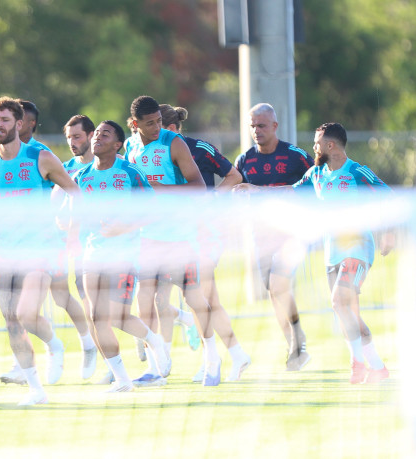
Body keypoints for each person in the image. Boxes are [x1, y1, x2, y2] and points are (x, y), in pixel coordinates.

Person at [236, 122, 393, 383]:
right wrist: (255, 191)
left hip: (357, 248)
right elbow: (291, 191)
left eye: (317, 143)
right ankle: (376, 366)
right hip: (332, 252)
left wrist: (388, 233)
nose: (313, 147)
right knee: (346, 310)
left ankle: (358, 365)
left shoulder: (357, 172)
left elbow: (389, 197)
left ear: (330, 145)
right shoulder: (316, 174)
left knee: (338, 301)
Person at [0, 96, 80, 405]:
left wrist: (70, 231)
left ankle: (54, 344)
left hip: (40, 251)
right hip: (6, 255)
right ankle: (36, 389)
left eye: (4, 120)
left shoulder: (40, 157)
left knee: (26, 314)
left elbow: (75, 192)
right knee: (12, 322)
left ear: (18, 124)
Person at [0, 101, 97, 385]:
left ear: (28, 124)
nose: (10, 125)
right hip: (24, 246)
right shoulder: (1, 158)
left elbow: (66, 194)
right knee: (39, 302)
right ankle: (27, 359)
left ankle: (84, 343)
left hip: (46, 244)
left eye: (19, 120)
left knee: (57, 298)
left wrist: (69, 230)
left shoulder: (40, 156)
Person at [125, 95, 221, 387]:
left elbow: (198, 186)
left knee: (193, 298)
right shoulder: (129, 147)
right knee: (146, 298)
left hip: (179, 235)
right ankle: (155, 368)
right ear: (135, 124)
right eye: (150, 123)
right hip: (145, 235)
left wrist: (159, 189)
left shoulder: (174, 143)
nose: (156, 128)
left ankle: (212, 359)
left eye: (158, 121)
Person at [72, 120, 169, 392]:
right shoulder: (82, 176)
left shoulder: (129, 171)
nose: (98, 137)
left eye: (106, 134)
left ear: (118, 145)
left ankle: (154, 340)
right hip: (93, 255)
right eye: (97, 134)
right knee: (95, 316)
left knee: (117, 316)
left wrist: (122, 228)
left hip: (125, 254)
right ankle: (123, 380)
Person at [157, 104, 251, 383]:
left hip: (205, 233)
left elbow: (234, 176)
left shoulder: (199, 148)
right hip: (173, 235)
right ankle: (232, 354)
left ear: (172, 129)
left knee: (202, 296)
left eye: (158, 127)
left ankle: (219, 357)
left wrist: (210, 199)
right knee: (181, 297)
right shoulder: (152, 152)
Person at [233, 103, 315, 371]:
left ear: (275, 126)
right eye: (252, 126)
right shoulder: (244, 160)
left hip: (292, 232)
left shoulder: (295, 156)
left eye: (262, 125)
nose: (256, 131)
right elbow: (239, 195)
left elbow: (315, 185)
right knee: (273, 289)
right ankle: (294, 342)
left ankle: (297, 345)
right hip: (261, 234)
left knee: (280, 283)